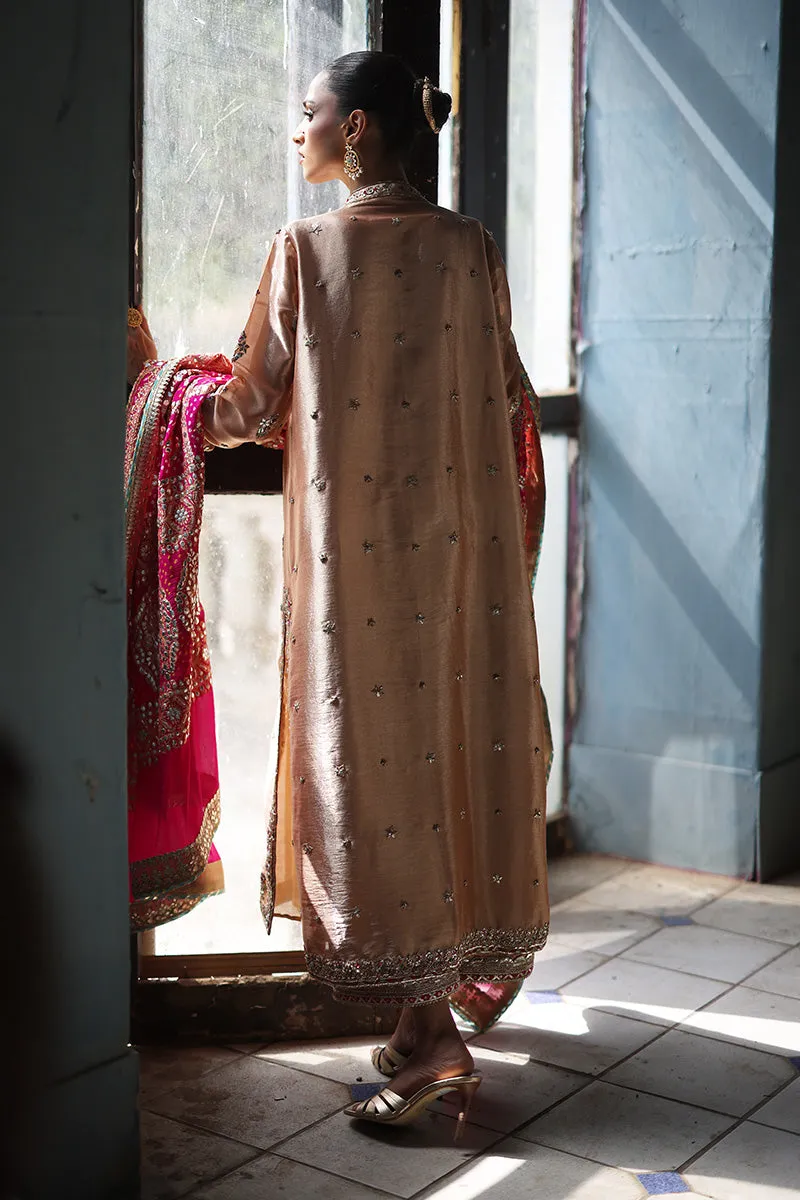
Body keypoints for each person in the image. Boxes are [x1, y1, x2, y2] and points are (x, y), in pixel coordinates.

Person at [126, 50, 550, 1133]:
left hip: (357, 569)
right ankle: (419, 1027)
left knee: (376, 765)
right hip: (459, 568)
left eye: (306, 112)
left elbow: (246, 406)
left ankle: (434, 1047)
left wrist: (152, 388)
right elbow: (506, 393)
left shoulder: (305, 252)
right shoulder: (469, 246)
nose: (294, 128)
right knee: (443, 753)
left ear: (356, 128)